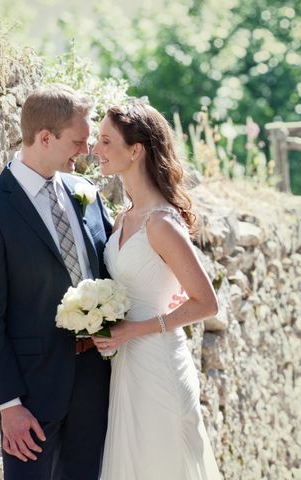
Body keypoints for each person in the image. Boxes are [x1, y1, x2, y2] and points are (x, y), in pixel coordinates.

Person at [0, 85, 113, 480]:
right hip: (32, 393)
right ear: (45, 137)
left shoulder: (86, 193)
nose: (86, 151)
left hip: (95, 381)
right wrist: (9, 405)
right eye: (78, 142)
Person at [91, 98, 222, 479]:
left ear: (135, 150)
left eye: (104, 141)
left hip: (158, 362)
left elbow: (206, 303)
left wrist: (134, 330)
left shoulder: (162, 223)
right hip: (126, 365)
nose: (95, 150)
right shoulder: (123, 217)